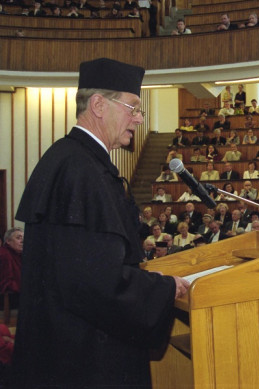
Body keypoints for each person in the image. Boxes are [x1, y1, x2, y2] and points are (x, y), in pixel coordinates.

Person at [11, 58, 189, 387]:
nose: (138, 118)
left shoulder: (76, 161)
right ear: (98, 105)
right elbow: (94, 284)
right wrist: (164, 289)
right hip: (84, 360)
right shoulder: (80, 170)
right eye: (132, 107)